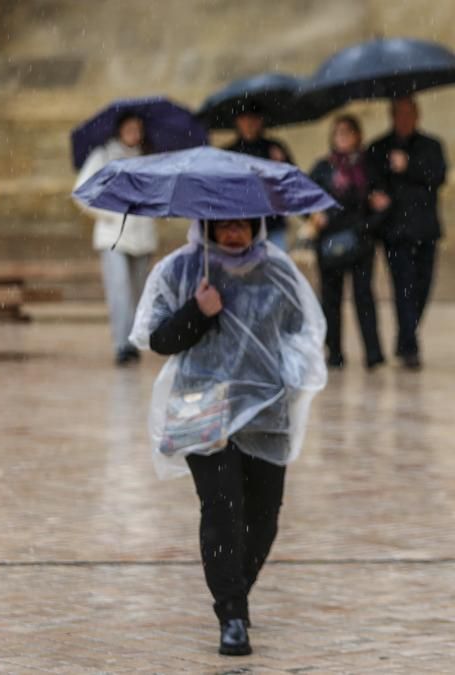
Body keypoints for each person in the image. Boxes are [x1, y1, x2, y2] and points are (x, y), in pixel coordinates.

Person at [129, 217, 326, 657]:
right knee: (222, 508)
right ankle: (232, 615)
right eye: (224, 225)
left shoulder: (277, 271)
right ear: (208, 226)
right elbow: (158, 339)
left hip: (265, 409)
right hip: (203, 403)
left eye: (243, 224)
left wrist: (292, 376)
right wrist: (197, 312)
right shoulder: (181, 270)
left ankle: (236, 589)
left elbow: (301, 333)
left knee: (264, 515)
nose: (234, 233)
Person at [365, 96, 447, 370]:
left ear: (417, 115)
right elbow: (371, 182)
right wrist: (376, 196)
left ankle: (405, 336)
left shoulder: (431, 146)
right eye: (399, 114)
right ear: (392, 116)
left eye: (409, 113)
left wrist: (408, 166)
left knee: (423, 287)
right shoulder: (378, 148)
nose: (404, 119)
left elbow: (438, 176)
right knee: (404, 287)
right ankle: (410, 347)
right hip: (395, 231)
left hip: (425, 228)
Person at [73, 112, 158, 366]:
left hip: (142, 235)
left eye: (138, 128)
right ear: (120, 129)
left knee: (138, 292)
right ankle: (122, 345)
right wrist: (108, 213)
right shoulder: (103, 156)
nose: (134, 133)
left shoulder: (148, 158)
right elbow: (81, 192)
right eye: (130, 128)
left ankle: (132, 341)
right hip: (113, 236)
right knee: (119, 289)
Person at [309, 115, 385, 369]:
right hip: (329, 242)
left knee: (364, 296)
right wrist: (314, 216)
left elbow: (382, 202)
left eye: (348, 132)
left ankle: (373, 353)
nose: (342, 137)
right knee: (331, 299)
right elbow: (305, 197)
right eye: (338, 132)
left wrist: (368, 223)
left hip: (361, 241)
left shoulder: (368, 168)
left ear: (357, 136)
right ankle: (335, 352)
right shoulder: (323, 168)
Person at [222, 104, 296, 250]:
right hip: (240, 226)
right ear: (237, 122)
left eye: (254, 119)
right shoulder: (228, 154)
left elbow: (292, 184)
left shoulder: (274, 148)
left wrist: (282, 164)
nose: (249, 124)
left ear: (261, 121)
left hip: (273, 223)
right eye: (245, 119)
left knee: (275, 270)